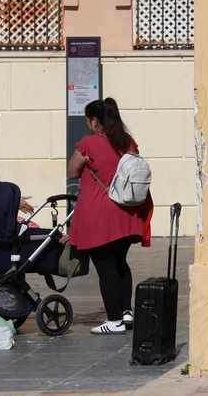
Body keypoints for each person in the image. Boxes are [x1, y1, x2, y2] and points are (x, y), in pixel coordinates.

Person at [68, 97, 152, 335]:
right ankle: (126, 312)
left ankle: (114, 320)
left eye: (87, 120)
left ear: (95, 121)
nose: (87, 125)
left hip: (100, 215)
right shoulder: (128, 142)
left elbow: (72, 171)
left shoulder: (89, 143)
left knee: (105, 268)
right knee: (120, 263)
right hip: (128, 212)